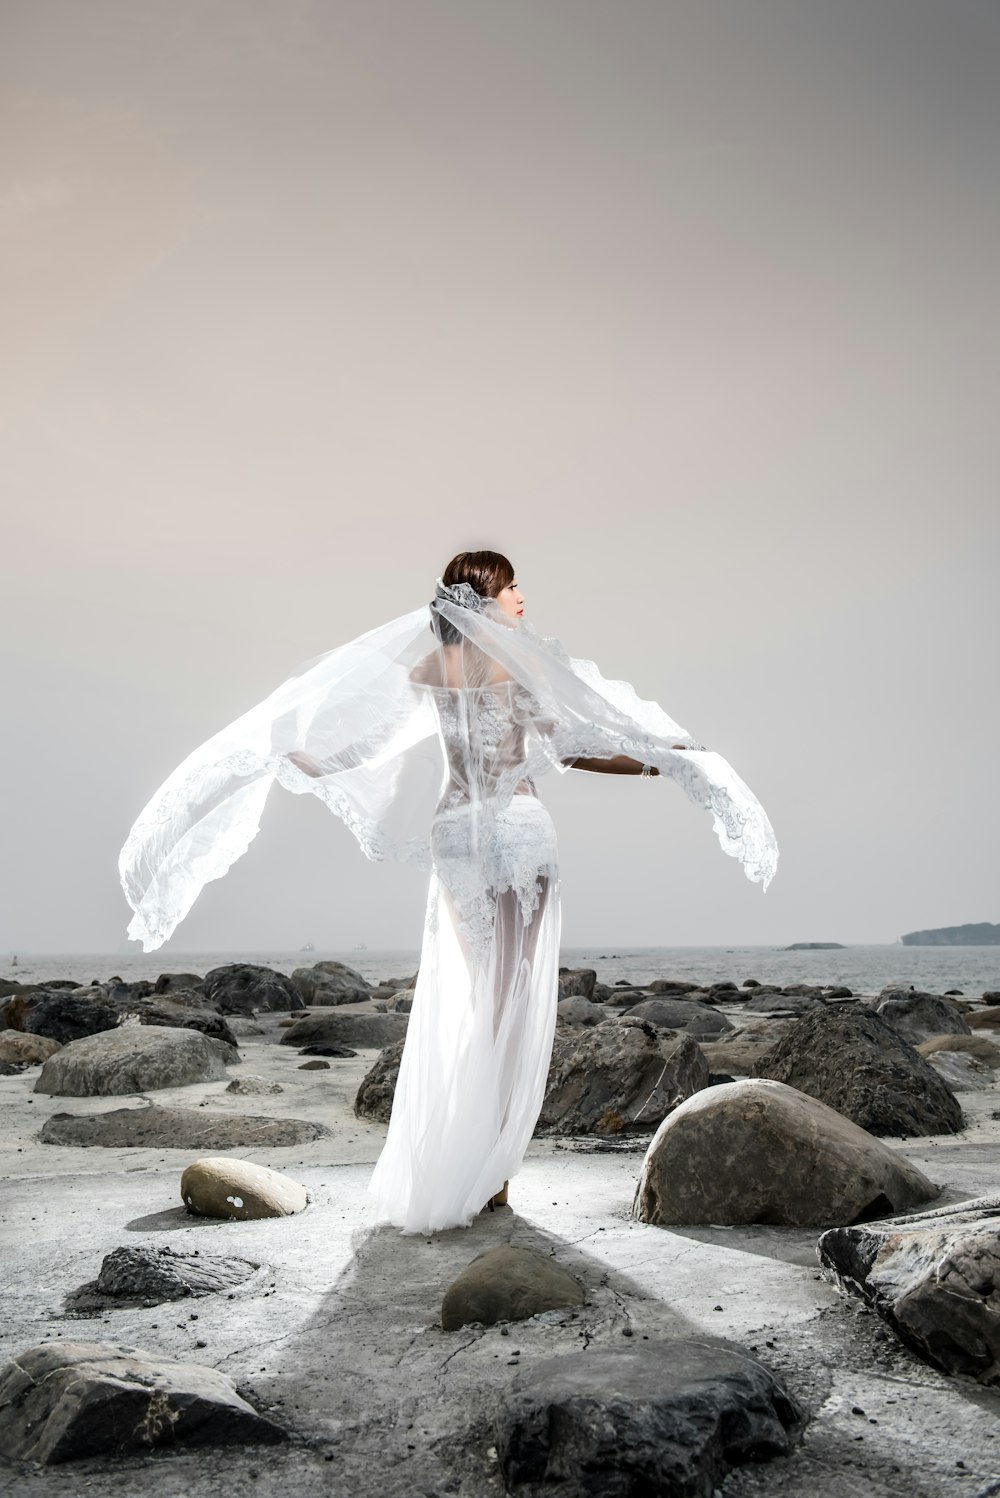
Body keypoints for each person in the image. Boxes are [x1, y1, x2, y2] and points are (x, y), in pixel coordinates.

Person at [119, 549, 778, 1235]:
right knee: (511, 1003)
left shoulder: (433, 668)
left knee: (477, 996)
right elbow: (571, 748)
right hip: (516, 830)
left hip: (456, 835)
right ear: (487, 597)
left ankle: (461, 1161)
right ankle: (487, 1170)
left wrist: (316, 761)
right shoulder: (519, 664)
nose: (524, 596)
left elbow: (375, 741)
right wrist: (658, 765)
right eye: (514, 585)